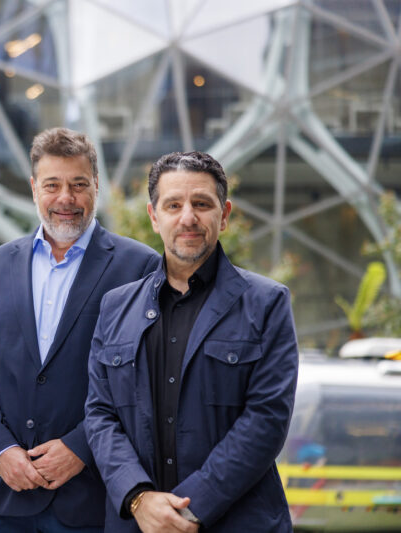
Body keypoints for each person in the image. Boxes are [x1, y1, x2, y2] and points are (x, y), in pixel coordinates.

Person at [85, 151, 298, 532]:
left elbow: (266, 420)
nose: (188, 218)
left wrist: (186, 510)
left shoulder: (267, 303)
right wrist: (139, 498)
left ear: (225, 214)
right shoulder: (115, 308)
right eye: (173, 205)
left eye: (202, 204)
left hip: (238, 522)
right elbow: (100, 415)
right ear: (154, 216)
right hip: (138, 523)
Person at [0, 127, 160, 533]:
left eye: (78, 185)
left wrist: (80, 447)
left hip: (93, 496)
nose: (65, 199)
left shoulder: (138, 267)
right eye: (52, 185)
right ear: (35, 188)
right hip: (10, 498)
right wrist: (0, 451)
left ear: (96, 188)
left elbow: (142, 381)